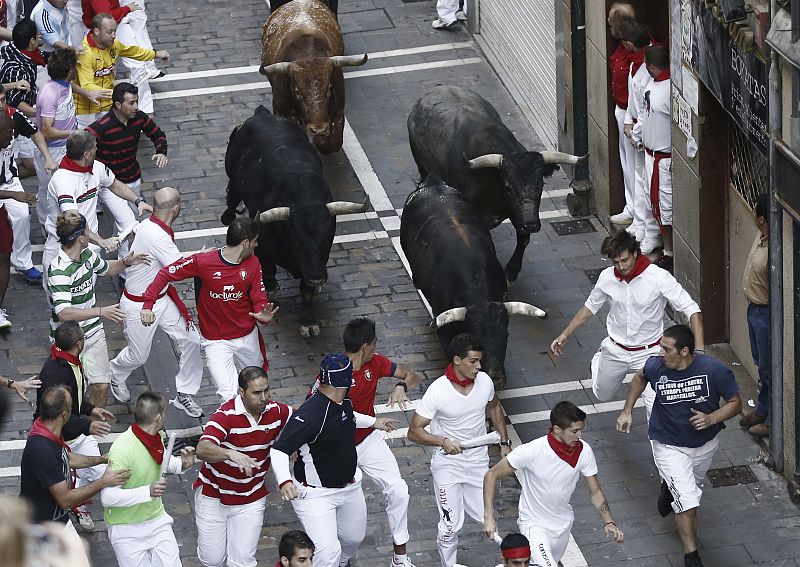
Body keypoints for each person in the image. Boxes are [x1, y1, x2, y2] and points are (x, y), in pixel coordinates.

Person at [616, 324, 742, 567]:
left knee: (690, 486)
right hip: (668, 444)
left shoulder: (714, 370)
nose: (660, 353)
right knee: (688, 499)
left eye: (666, 349)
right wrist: (627, 410)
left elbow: (735, 402)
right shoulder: (656, 366)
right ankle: (691, 555)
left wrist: (711, 418)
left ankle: (667, 488)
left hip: (704, 445)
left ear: (684, 351)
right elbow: (639, 377)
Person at [270, 353, 399, 567]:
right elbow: (280, 449)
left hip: (349, 488)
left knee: (353, 538)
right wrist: (285, 481)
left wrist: (375, 422)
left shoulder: (342, 400)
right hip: (316, 494)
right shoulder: (309, 415)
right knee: (327, 553)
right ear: (346, 382)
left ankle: (343, 563)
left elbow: (350, 416)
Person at [550, 230, 703, 409]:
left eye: (625, 260)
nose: (621, 266)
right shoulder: (606, 277)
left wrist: (699, 352)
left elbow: (692, 310)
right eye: (616, 262)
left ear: (635, 253)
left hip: (651, 351)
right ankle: (599, 359)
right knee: (602, 395)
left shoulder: (659, 278)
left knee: (655, 404)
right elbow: (589, 307)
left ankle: (656, 437)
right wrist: (565, 335)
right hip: (616, 350)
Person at [140, 217, 278, 402]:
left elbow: (258, 297)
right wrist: (148, 304)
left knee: (258, 390)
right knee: (228, 396)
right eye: (254, 241)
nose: (257, 245)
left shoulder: (253, 263)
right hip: (216, 341)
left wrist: (263, 315)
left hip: (247, 338)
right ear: (245, 243)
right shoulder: (202, 262)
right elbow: (166, 274)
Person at [323, 317, 421, 567]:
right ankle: (342, 558)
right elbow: (327, 414)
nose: (376, 350)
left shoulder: (375, 363)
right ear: (365, 346)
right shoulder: (333, 373)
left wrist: (401, 386)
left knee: (399, 491)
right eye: (374, 345)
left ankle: (399, 559)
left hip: (368, 441)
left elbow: (413, 375)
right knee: (341, 512)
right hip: (339, 449)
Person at [407, 333, 511, 567]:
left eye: (479, 361)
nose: (479, 366)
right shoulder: (438, 391)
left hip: (477, 463)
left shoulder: (485, 382)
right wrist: (442, 441)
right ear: (456, 360)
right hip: (448, 465)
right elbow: (414, 431)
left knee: (487, 520)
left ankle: (514, 559)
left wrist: (504, 443)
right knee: (450, 525)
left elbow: (494, 407)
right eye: (473, 361)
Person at [484, 402, 624, 566]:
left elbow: (596, 493)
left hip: (562, 524)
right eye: (574, 431)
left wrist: (609, 522)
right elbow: (491, 475)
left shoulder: (584, 451)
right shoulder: (532, 451)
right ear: (557, 429)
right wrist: (489, 517)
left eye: (581, 430)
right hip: (534, 525)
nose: (580, 436)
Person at [109, 187, 203, 417]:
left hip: (161, 299)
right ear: (176, 209)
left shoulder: (150, 225)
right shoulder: (157, 235)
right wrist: (206, 257)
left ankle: (185, 393)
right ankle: (115, 373)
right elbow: (180, 268)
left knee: (191, 339)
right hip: (138, 305)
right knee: (138, 355)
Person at [47, 210, 149, 408]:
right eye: (86, 230)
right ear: (81, 238)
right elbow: (63, 312)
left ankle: (92, 429)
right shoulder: (59, 270)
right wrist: (101, 312)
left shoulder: (86, 255)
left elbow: (107, 269)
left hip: (92, 331)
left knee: (101, 386)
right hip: (67, 339)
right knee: (69, 393)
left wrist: (126, 262)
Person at [194, 366, 292, 567]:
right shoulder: (225, 415)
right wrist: (230, 453)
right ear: (241, 392)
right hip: (214, 497)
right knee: (212, 560)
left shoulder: (277, 411)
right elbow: (202, 449)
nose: (264, 397)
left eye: (267, 390)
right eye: (257, 392)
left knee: (243, 562)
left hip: (251, 498)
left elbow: (302, 421)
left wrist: (294, 444)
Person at [19, 385, 130, 560]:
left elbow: (66, 457)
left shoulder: (47, 430)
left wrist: (101, 459)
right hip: (39, 530)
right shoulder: (41, 449)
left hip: (58, 521)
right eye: (71, 407)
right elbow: (65, 500)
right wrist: (103, 482)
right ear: (64, 414)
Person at [100, 391, 197, 567]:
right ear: (159, 418)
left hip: (156, 520)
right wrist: (148, 491)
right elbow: (108, 498)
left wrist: (183, 464)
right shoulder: (122, 450)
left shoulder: (155, 437)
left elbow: (160, 460)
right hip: (125, 529)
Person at [36, 320, 116, 530]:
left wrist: (90, 410)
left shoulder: (69, 361)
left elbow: (75, 399)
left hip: (76, 433)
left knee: (100, 472)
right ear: (80, 343)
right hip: (61, 439)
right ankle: (75, 503)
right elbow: (57, 416)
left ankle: (80, 498)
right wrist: (87, 426)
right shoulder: (55, 374)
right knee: (65, 482)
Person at [43, 129, 151, 279]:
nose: (97, 149)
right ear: (86, 154)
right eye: (95, 147)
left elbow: (114, 184)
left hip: (89, 249)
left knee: (88, 299)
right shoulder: (63, 181)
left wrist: (138, 201)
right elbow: (73, 221)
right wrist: (102, 241)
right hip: (62, 252)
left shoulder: (97, 167)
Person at [0, 83, 57, 286]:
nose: (1, 104)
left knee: (22, 214)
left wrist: (47, 157)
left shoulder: (13, 115)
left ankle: (23, 262)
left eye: (3, 99)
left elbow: (35, 132)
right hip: (6, 190)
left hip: (8, 181)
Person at [74, 12, 169, 127]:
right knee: (88, 141)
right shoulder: (85, 53)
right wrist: (117, 94)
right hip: (86, 109)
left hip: (106, 103)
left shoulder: (113, 44)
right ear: (96, 31)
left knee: (110, 137)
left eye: (114, 31)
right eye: (109, 32)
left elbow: (133, 51)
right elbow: (87, 85)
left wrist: (156, 54)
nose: (114, 35)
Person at [87, 81, 167, 200]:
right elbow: (81, 145)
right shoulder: (102, 126)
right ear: (118, 105)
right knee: (125, 218)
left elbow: (158, 135)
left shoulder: (140, 118)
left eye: (136, 101)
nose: (136, 107)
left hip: (133, 178)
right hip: (110, 184)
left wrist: (161, 151)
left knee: (133, 214)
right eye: (131, 103)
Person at [621, 19, 660, 253]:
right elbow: (631, 97)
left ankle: (649, 232)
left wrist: (635, 133)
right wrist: (627, 120)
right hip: (634, 128)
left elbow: (647, 104)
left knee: (647, 186)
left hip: (644, 134)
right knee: (637, 178)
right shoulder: (635, 64)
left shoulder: (648, 67)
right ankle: (639, 223)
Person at [81, 0, 161, 113]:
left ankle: (144, 110)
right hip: (107, 30)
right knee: (100, 73)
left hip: (115, 25)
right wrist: (126, 9)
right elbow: (106, 16)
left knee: (138, 68)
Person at [739, 192, 770, 438]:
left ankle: (770, 420)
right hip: (753, 309)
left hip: (764, 313)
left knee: (769, 367)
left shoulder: (773, 248)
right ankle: (762, 409)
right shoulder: (761, 236)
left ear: (760, 219)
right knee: (761, 364)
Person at [641, 43, 674, 271]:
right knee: (655, 207)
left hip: (665, 160)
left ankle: (670, 254)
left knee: (667, 210)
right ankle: (666, 250)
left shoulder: (670, 90)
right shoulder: (651, 84)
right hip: (650, 156)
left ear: (652, 67)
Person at [607, 2, 637, 228]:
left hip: (631, 113)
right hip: (621, 109)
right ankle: (630, 206)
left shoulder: (635, 51)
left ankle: (636, 211)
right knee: (625, 162)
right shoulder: (620, 47)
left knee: (634, 164)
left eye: (611, 21)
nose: (608, 23)